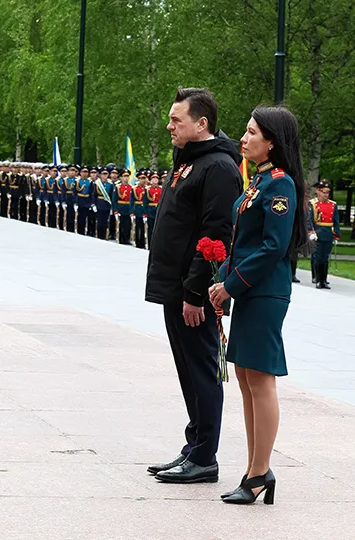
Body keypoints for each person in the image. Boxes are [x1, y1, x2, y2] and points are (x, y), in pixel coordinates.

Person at [209, 106, 308, 505]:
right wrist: (222, 277)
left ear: (271, 142)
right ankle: (254, 469)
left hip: (265, 292)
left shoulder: (280, 185)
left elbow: (273, 247)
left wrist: (231, 285)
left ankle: (259, 472)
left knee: (261, 379)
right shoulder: (260, 182)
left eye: (252, 132)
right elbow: (243, 242)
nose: (243, 138)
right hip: (249, 289)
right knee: (246, 377)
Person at [145, 87, 242, 484]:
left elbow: (215, 234)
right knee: (188, 371)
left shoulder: (218, 167)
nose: (169, 126)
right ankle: (194, 447)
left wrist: (195, 292)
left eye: (176, 120)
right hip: (175, 286)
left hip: (194, 293)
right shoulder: (190, 160)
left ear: (201, 124)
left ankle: (205, 456)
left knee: (202, 372)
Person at [309, 181, 340, 289]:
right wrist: (311, 232)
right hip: (318, 232)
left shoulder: (333, 204)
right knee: (318, 257)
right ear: (318, 192)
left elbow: (336, 221)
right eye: (323, 192)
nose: (326, 194)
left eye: (327, 192)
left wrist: (337, 235)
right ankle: (318, 280)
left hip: (328, 233)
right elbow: (309, 220)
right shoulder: (313, 204)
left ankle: (324, 280)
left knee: (325, 258)